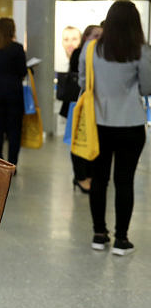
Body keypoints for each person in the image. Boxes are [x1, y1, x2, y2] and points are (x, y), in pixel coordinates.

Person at [80, 1, 151, 256]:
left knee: (99, 179)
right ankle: (122, 240)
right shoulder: (141, 51)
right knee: (125, 181)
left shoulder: (91, 48)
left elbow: (83, 82)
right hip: (130, 124)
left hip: (98, 123)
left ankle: (99, 235)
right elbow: (147, 87)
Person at [60, 24, 102, 193]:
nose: (99, 39)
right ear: (86, 37)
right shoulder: (81, 53)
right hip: (77, 101)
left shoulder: (100, 53)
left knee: (89, 137)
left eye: (101, 35)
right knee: (76, 138)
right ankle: (80, 176)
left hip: (90, 102)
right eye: (95, 35)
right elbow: (82, 78)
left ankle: (87, 175)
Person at [0, 18, 26, 167]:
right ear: (11, 30)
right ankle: (12, 164)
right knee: (14, 130)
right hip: (14, 92)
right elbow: (22, 71)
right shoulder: (17, 48)